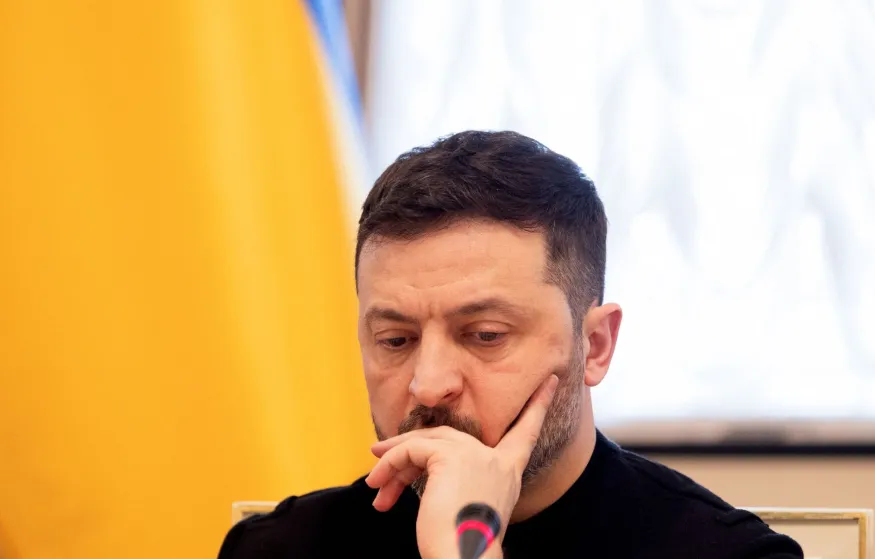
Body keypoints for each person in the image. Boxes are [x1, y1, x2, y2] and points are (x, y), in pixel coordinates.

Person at [218, 131, 804, 558]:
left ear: (594, 346)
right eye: (395, 339)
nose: (428, 384)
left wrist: (465, 545)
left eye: (485, 336)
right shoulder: (279, 550)